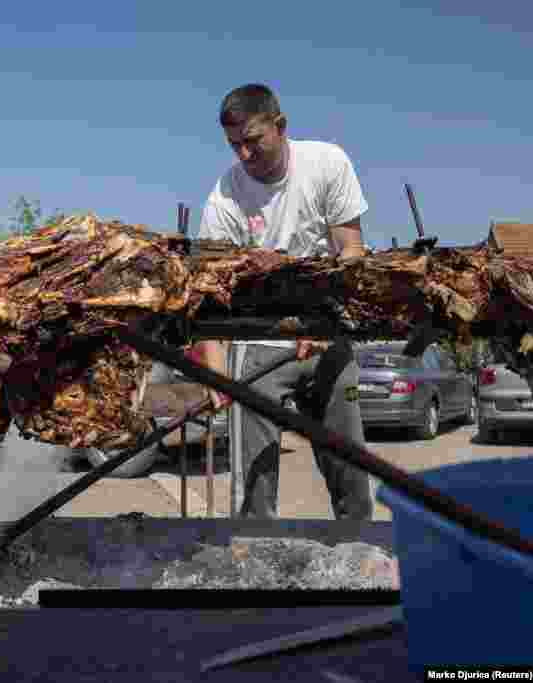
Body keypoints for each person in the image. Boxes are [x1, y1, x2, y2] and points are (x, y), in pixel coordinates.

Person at [195, 83, 374, 520]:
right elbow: (211, 290)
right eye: (233, 145)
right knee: (253, 493)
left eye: (252, 140)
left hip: (328, 338)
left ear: (281, 126)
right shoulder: (225, 196)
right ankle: (254, 555)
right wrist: (216, 374)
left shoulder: (327, 164)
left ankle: (360, 549)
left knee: (352, 476)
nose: (243, 154)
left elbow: (352, 250)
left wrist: (323, 321)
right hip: (258, 346)